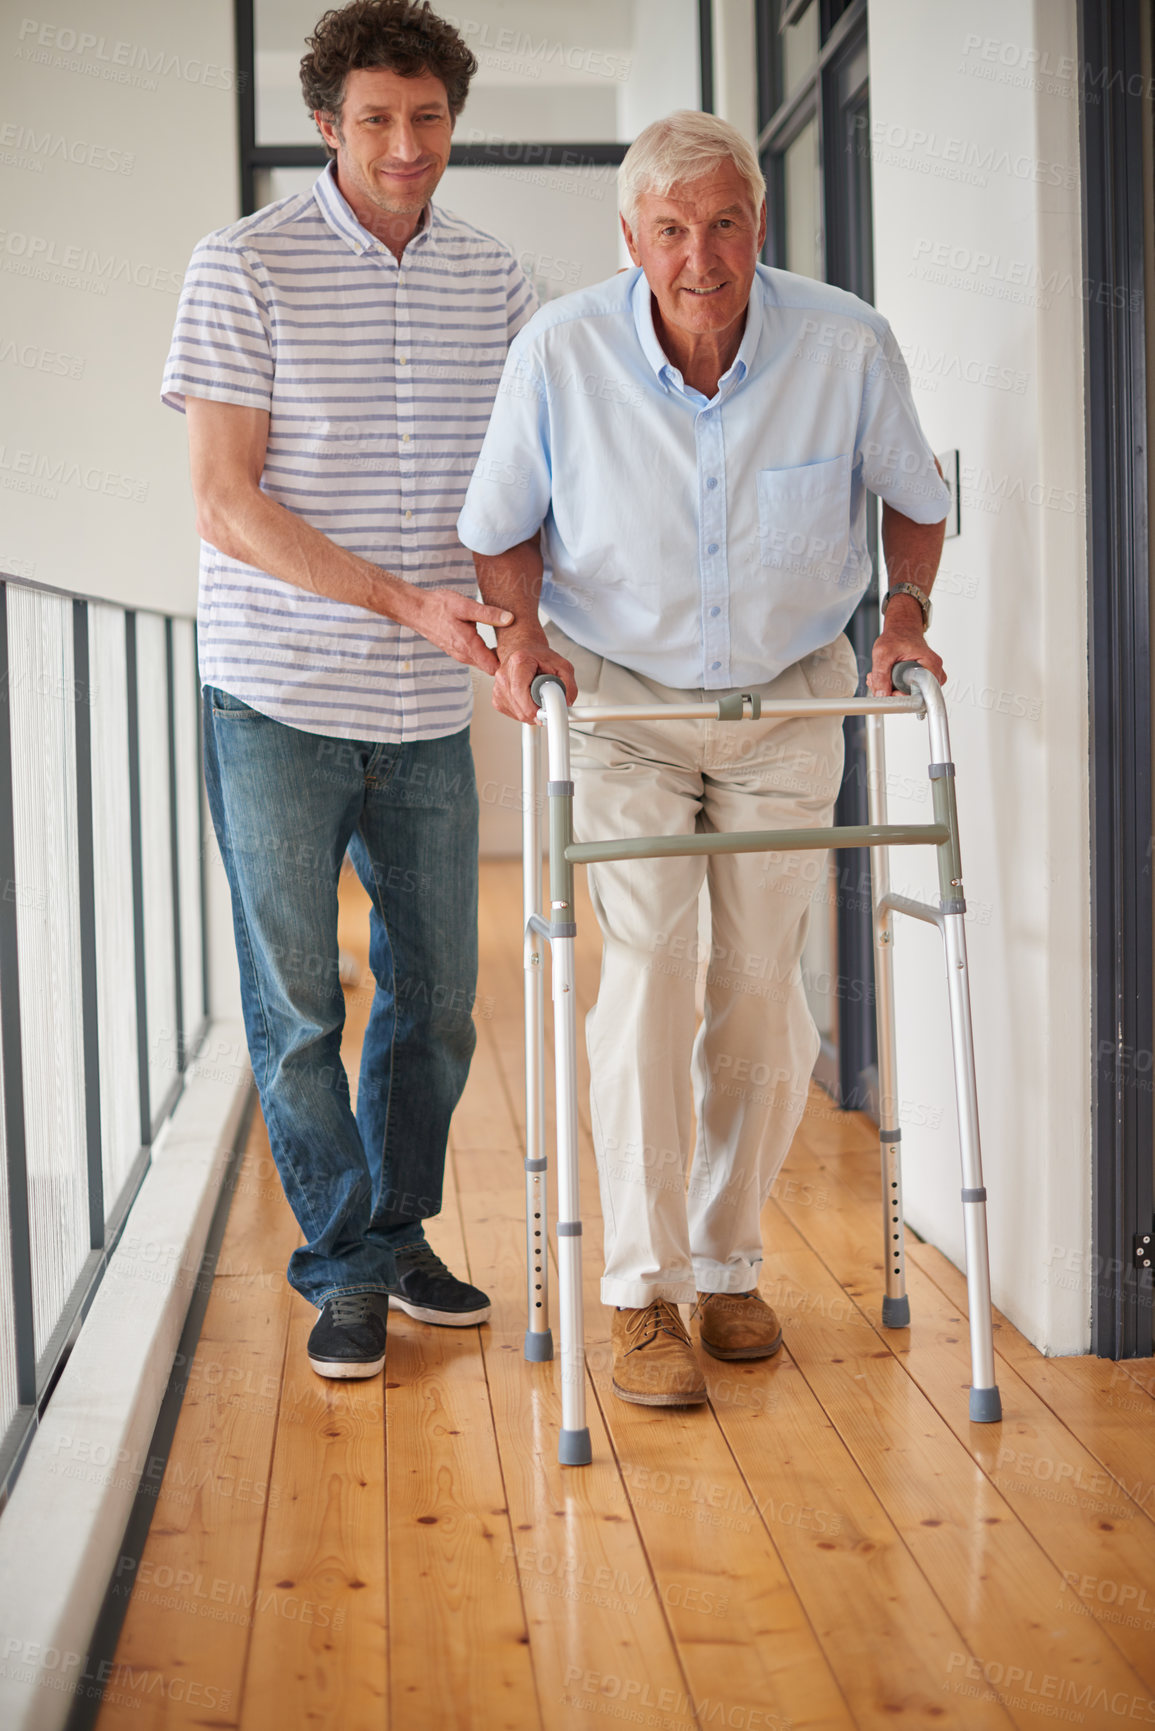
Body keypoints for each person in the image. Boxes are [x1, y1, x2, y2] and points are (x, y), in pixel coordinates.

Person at [457, 110, 950, 1407]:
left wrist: (903, 618)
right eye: (670, 229)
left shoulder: (845, 343)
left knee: (757, 992)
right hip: (622, 700)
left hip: (791, 701)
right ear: (629, 240)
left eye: (724, 222)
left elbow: (913, 496)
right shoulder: (561, 352)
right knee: (649, 982)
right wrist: (517, 642)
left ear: (760, 225)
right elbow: (500, 528)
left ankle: (728, 1264)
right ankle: (640, 1291)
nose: (700, 254)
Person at [162, 0, 537, 1379]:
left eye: (428, 119)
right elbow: (222, 504)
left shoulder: (499, 283)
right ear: (328, 125)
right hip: (275, 696)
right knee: (303, 1001)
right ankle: (343, 1266)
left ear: (453, 122)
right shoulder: (241, 265)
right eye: (375, 119)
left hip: (432, 705)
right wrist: (401, 599)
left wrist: (523, 625)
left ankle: (392, 1228)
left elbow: (525, 494)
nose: (404, 145)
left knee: (438, 1001)